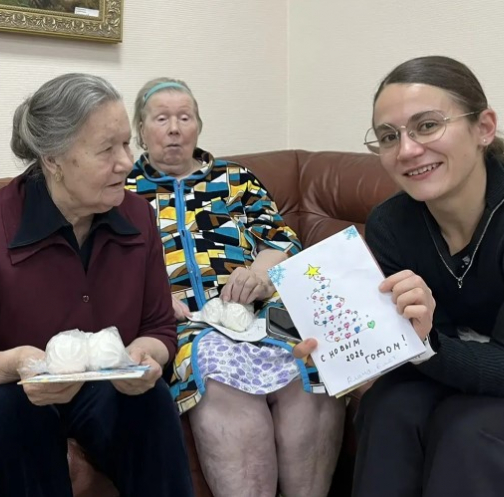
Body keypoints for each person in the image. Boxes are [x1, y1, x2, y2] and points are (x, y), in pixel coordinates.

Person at [294, 55, 504, 497]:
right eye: (389, 136)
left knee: (469, 433)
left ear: (483, 128)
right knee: (389, 405)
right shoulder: (391, 224)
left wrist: (425, 343)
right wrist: (343, 350)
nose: (407, 149)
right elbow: (416, 339)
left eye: (427, 125)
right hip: (473, 367)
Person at [0, 73, 194, 497]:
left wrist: (146, 355)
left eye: (126, 144)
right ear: (53, 159)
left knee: (150, 399)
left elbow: (159, 328)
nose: (127, 162)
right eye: (107, 150)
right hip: (14, 397)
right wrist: (15, 363)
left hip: (106, 392)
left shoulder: (139, 218)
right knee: (6, 408)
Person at [125, 78, 344, 497]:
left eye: (185, 117)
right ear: (140, 129)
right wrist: (152, 299)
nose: (175, 129)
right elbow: (104, 268)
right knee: (219, 371)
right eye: (162, 118)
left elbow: (281, 241)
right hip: (186, 322)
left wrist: (260, 276)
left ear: (198, 125)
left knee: (310, 366)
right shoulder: (125, 190)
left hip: (259, 314)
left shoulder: (234, 179)